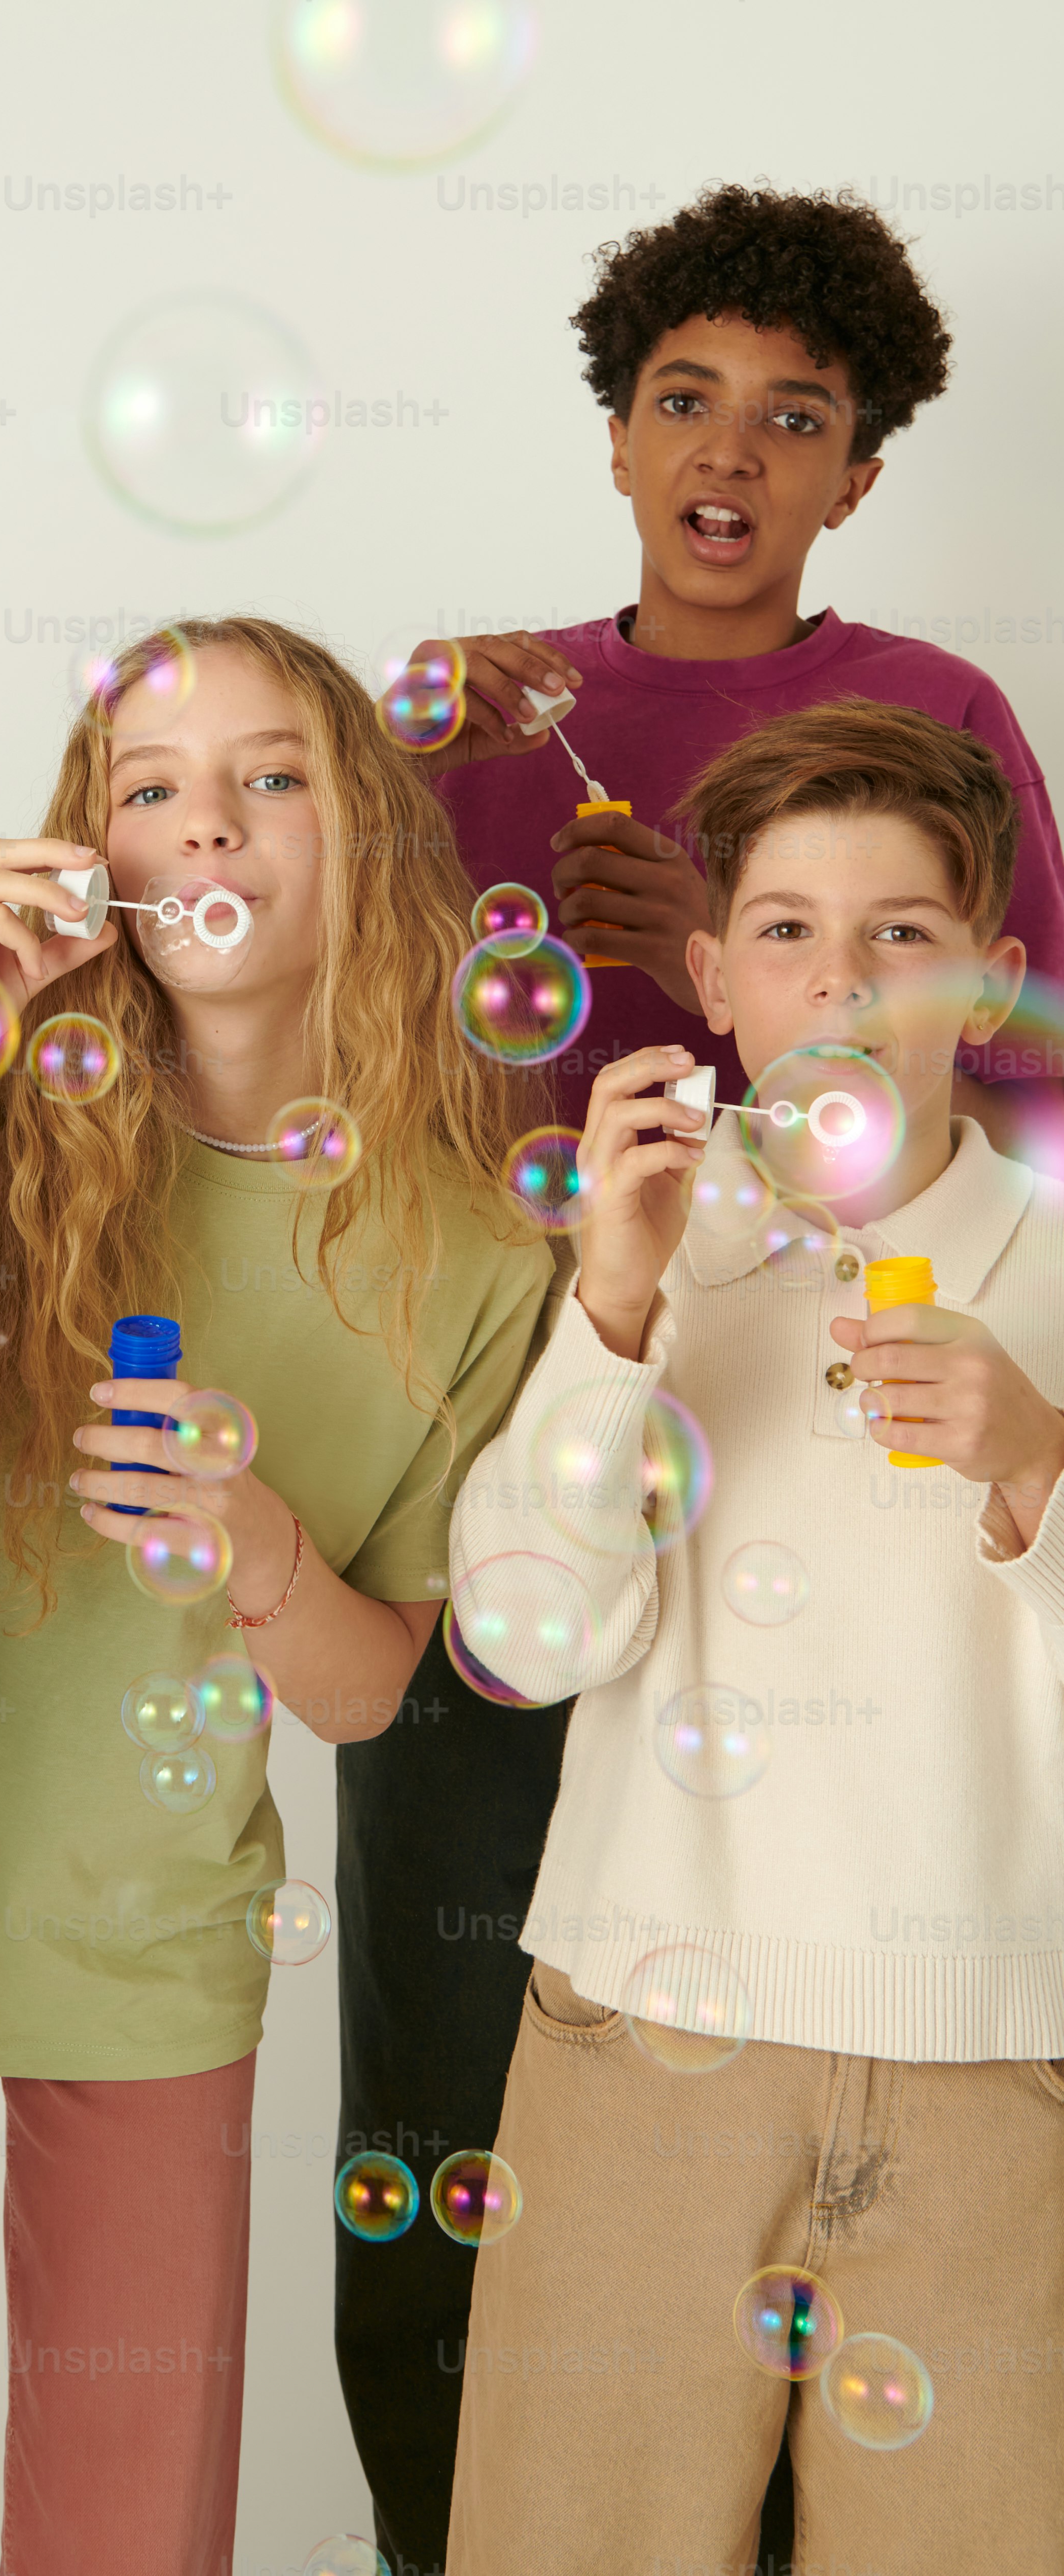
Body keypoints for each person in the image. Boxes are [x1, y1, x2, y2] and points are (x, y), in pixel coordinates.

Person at [0, 618, 553, 2575]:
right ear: (93, 851)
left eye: (270, 776)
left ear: (372, 837)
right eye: (151, 787)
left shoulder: (469, 1247)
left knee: (131, 2524)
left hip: (146, 1946)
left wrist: (265, 1555)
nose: (204, 820)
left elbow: (376, 1693)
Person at [338, 184, 1064, 2573]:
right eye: (683, 399)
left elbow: (1029, 1099)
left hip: (854, 1490)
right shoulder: (471, 704)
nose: (732, 451)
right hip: (560, 1393)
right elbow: (366, 1046)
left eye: (799, 416)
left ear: (858, 471)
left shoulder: (937, 719)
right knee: (479, 2174)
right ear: (615, 429)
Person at [443, 699, 1064, 2573]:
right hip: (644, 2039)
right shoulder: (651, 1241)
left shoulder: (1053, 1260)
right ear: (712, 978)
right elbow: (523, 1631)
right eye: (787, 930)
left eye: (902, 935)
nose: (843, 979)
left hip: (987, 2069)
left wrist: (1041, 1458)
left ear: (995, 978)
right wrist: (614, 1320)